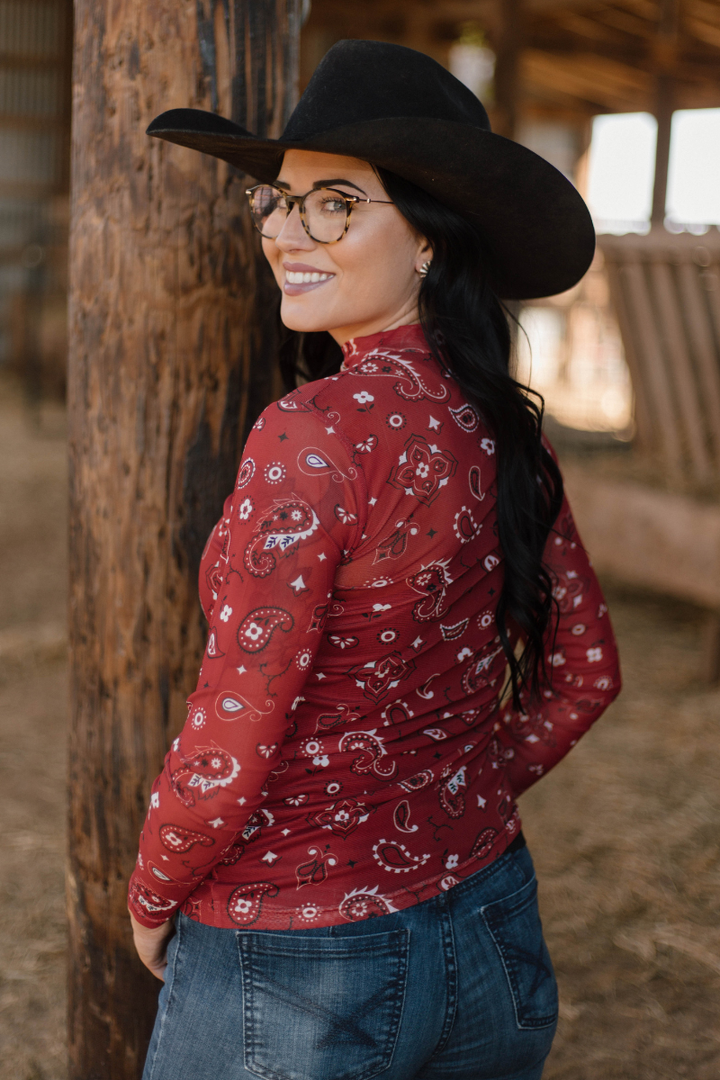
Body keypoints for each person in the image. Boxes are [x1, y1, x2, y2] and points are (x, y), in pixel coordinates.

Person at [128, 39, 621, 1080]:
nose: (283, 233)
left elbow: (235, 730)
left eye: (335, 203)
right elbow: (586, 678)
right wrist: (459, 795)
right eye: (278, 199)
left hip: (293, 961)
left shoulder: (311, 436)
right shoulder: (505, 434)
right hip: (488, 921)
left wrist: (153, 889)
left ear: (433, 242)